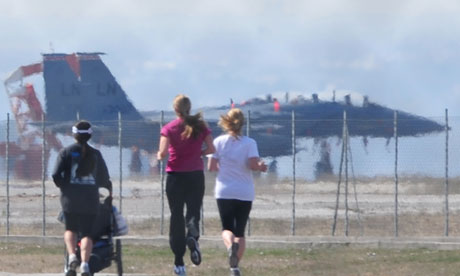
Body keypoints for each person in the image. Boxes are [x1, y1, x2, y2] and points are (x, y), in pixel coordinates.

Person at [157, 94, 215, 276]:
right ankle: (192, 237)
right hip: (195, 175)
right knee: (193, 211)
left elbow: (163, 152)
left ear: (175, 109)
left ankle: (179, 261)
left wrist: (158, 156)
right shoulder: (201, 126)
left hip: (175, 176)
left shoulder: (169, 128)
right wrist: (198, 152)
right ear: (189, 108)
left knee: (176, 215)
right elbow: (212, 149)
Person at [208, 108, 267, 276]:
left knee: (227, 227)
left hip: (224, 190)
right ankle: (234, 268)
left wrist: (224, 166)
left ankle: (229, 246)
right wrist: (262, 167)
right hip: (244, 191)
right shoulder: (250, 143)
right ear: (243, 123)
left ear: (227, 121)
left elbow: (211, 167)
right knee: (240, 231)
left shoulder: (218, 141)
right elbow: (254, 165)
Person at [52, 121, 112, 276]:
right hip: (90, 199)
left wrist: (64, 187)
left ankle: (72, 256)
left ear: (74, 134)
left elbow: (56, 174)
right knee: (87, 234)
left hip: (70, 198)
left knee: (70, 229)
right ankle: (85, 265)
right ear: (90, 135)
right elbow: (104, 178)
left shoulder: (66, 152)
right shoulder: (96, 154)